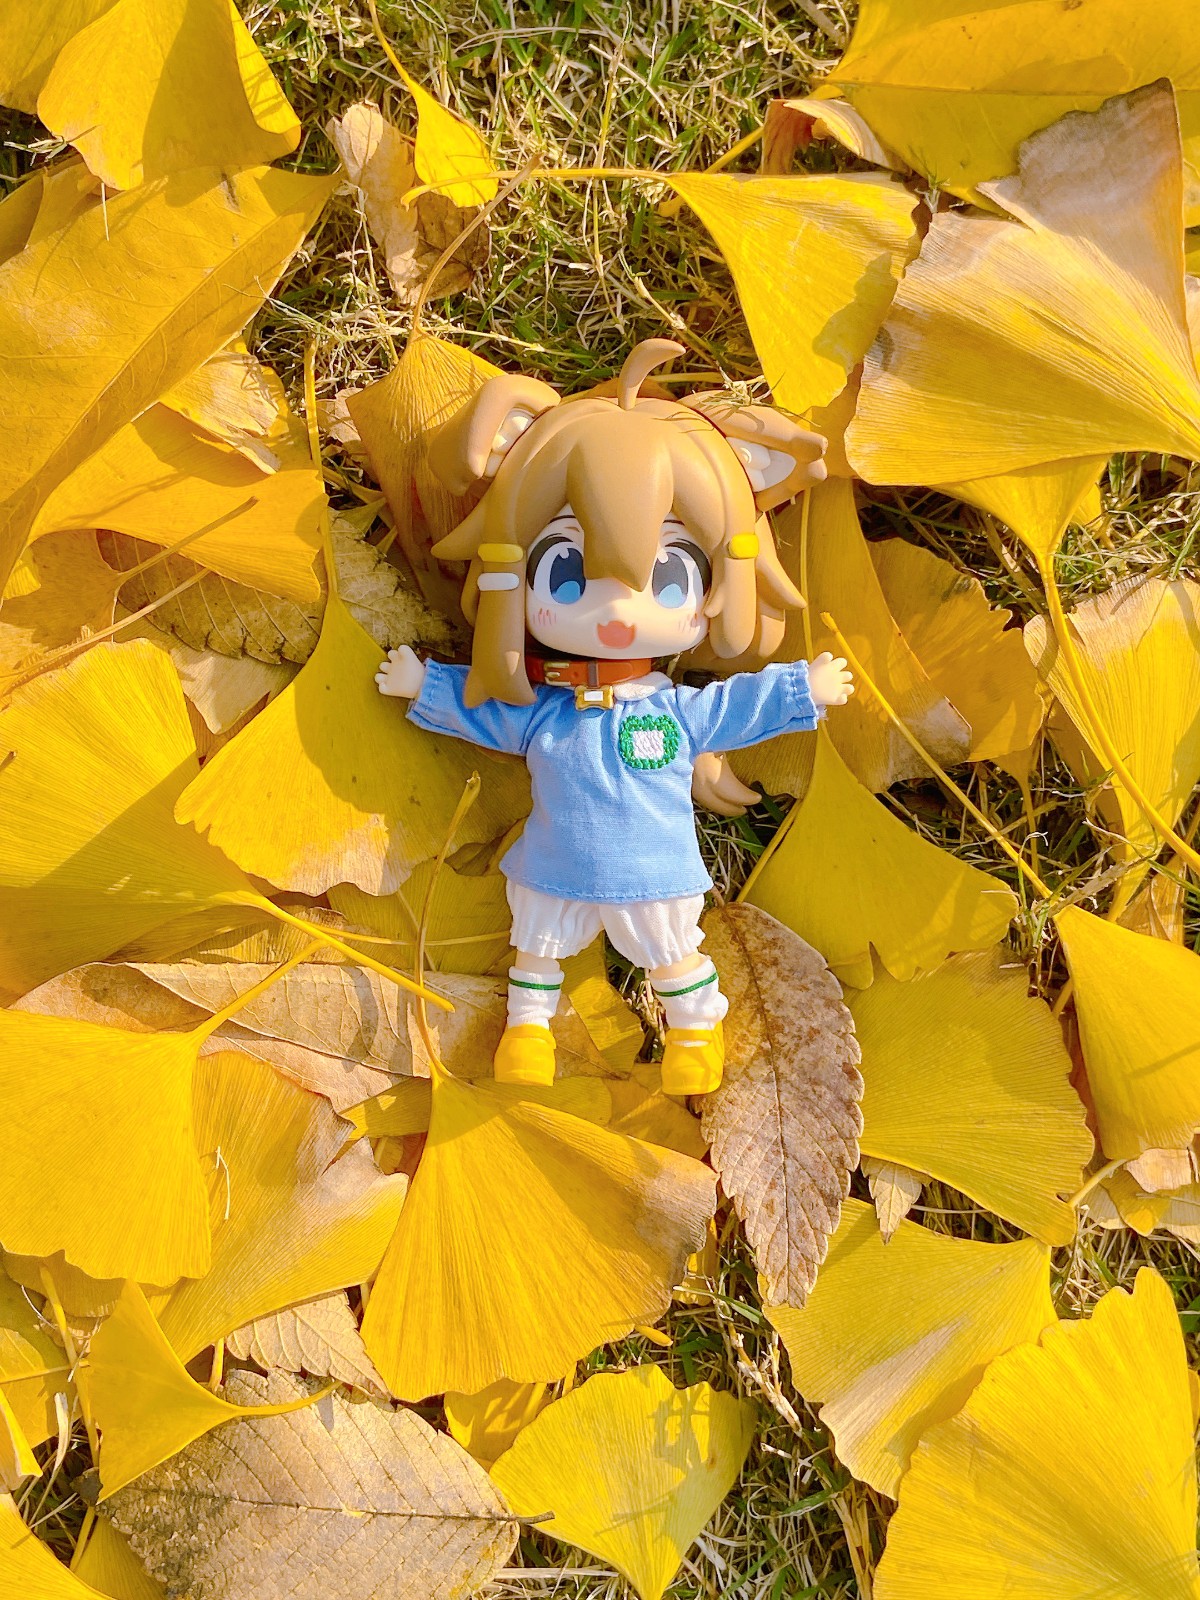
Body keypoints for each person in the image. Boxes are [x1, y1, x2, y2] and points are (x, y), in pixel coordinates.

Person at [377, 339, 853, 1094]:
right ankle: (527, 1033)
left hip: (653, 871)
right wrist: (428, 686)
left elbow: (734, 706)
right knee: (535, 948)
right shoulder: (546, 711)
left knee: (672, 954)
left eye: (670, 576)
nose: (618, 614)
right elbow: (490, 715)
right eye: (565, 571)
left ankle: (694, 1032)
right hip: (555, 866)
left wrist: (803, 688)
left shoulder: (674, 713)